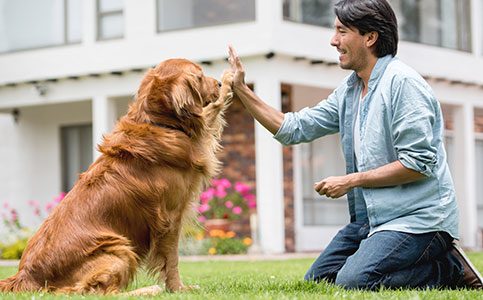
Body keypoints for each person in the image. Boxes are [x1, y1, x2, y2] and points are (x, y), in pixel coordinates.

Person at [227, 0, 483, 290]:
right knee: (319, 281)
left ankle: (447, 269)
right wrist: (242, 91)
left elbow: (419, 164)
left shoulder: (403, 85)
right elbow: (294, 128)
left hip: (419, 221)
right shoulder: (350, 90)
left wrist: (350, 181)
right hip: (371, 220)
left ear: (370, 37)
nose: (333, 40)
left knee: (355, 281)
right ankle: (425, 262)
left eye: (342, 31)